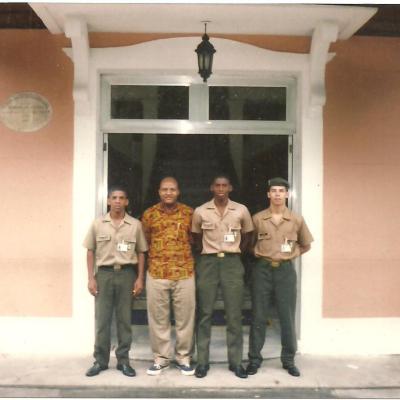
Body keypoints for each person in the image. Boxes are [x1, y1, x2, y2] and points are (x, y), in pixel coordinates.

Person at [246, 177, 313, 377]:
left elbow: (306, 244)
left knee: (286, 315)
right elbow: (247, 243)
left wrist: (292, 255)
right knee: (258, 315)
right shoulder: (257, 218)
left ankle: (289, 360)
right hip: (263, 270)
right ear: (268, 194)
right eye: (273, 190)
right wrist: (256, 252)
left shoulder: (296, 219)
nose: (277, 194)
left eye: (281, 191)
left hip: (285, 271)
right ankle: (254, 359)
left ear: (286, 194)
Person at [192, 175, 254, 379]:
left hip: (232, 263)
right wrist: (207, 255)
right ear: (211, 187)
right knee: (205, 313)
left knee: (234, 313)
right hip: (208, 262)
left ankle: (235, 362)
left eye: (224, 185)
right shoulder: (200, 211)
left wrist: (234, 252)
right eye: (217, 185)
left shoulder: (241, 210)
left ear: (230, 188)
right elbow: (196, 238)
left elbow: (247, 236)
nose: (220, 188)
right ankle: (202, 362)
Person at [84, 186, 148, 377]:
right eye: (114, 197)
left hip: (127, 274)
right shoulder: (98, 224)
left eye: (122, 198)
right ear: (108, 201)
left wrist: (139, 278)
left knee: (124, 320)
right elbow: (90, 251)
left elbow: (141, 252)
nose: (118, 201)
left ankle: (123, 361)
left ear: (127, 201)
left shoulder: (135, 225)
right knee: (102, 320)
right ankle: (100, 360)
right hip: (104, 274)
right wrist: (90, 278)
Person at [142, 177, 196, 376]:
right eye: (164, 189)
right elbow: (145, 242)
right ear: (159, 191)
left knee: (185, 319)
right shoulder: (149, 214)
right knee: (158, 319)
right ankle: (161, 359)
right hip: (157, 273)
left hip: (184, 273)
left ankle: (184, 357)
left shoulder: (189, 213)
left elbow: (195, 240)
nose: (168, 193)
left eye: (172, 189)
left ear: (178, 191)